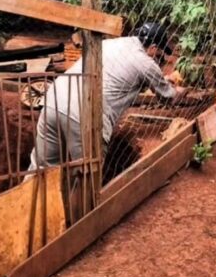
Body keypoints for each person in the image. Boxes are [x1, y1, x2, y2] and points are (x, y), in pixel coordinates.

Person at [29, 23, 184, 172]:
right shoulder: (146, 63)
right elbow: (168, 98)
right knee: (86, 178)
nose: (158, 58)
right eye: (159, 53)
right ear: (153, 47)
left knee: (41, 170)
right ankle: (81, 199)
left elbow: (123, 74)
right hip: (84, 114)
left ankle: (27, 198)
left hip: (54, 100)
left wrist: (162, 80)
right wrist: (180, 91)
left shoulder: (112, 43)